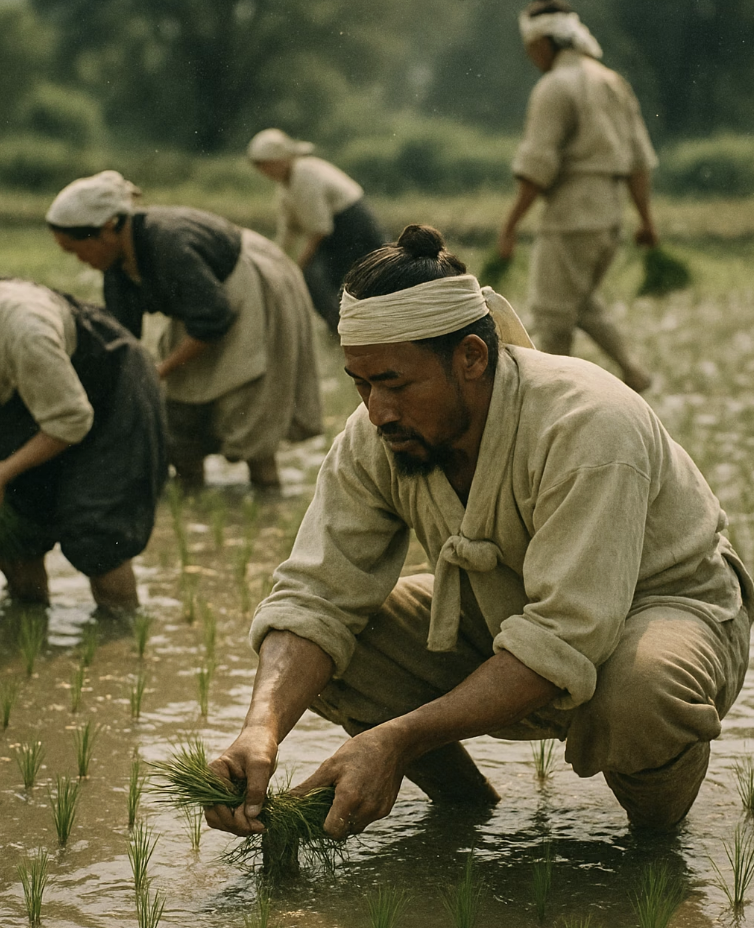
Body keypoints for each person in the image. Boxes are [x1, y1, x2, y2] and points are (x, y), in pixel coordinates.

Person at [204, 224, 753, 843]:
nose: (378, 410)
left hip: (661, 608)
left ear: (471, 357)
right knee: (343, 647)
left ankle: (652, 846)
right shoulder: (375, 436)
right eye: (362, 384)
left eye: (395, 383)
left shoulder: (586, 423)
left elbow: (566, 633)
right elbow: (314, 596)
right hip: (505, 606)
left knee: (636, 695)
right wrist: (262, 727)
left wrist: (398, 736)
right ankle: (468, 816)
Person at [47, 170, 323, 491]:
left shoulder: (169, 244)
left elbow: (214, 318)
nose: (79, 259)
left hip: (246, 290)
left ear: (108, 228)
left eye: (76, 249)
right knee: (179, 410)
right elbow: (121, 338)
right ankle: (191, 489)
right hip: (203, 301)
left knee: (247, 405)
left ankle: (266, 493)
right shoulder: (115, 264)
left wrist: (160, 369)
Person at [499, 1, 657, 393]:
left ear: (544, 43)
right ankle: (634, 371)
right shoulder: (612, 81)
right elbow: (639, 161)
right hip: (610, 215)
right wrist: (646, 220)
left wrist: (510, 225)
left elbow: (538, 166)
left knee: (552, 317)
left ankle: (550, 397)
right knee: (580, 300)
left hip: (572, 216)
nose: (530, 57)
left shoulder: (555, 86)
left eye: (531, 48)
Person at [0, 278, 167, 610]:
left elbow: (71, 419)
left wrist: (3, 472)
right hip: (34, 396)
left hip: (112, 386)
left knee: (99, 531)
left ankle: (120, 638)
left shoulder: (27, 331)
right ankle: (30, 616)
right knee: (17, 523)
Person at [248, 128, 385, 333]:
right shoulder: (286, 185)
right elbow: (289, 229)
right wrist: (276, 258)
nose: (264, 171)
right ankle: (343, 327)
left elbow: (320, 228)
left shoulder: (303, 176)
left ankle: (347, 328)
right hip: (338, 230)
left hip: (352, 225)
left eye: (267, 165)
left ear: (281, 160)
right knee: (330, 279)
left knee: (329, 277)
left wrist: (299, 264)